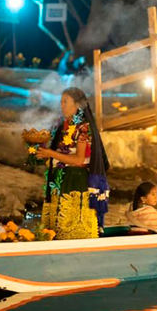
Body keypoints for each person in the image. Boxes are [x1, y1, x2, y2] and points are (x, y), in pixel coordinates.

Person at [36, 87, 110, 239]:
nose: (62, 105)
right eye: (61, 102)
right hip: (60, 180)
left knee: (73, 231)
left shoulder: (83, 128)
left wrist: (50, 153)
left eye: (65, 101)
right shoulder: (62, 127)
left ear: (77, 104)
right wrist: (43, 154)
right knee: (55, 228)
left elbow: (79, 159)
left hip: (76, 180)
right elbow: (60, 155)